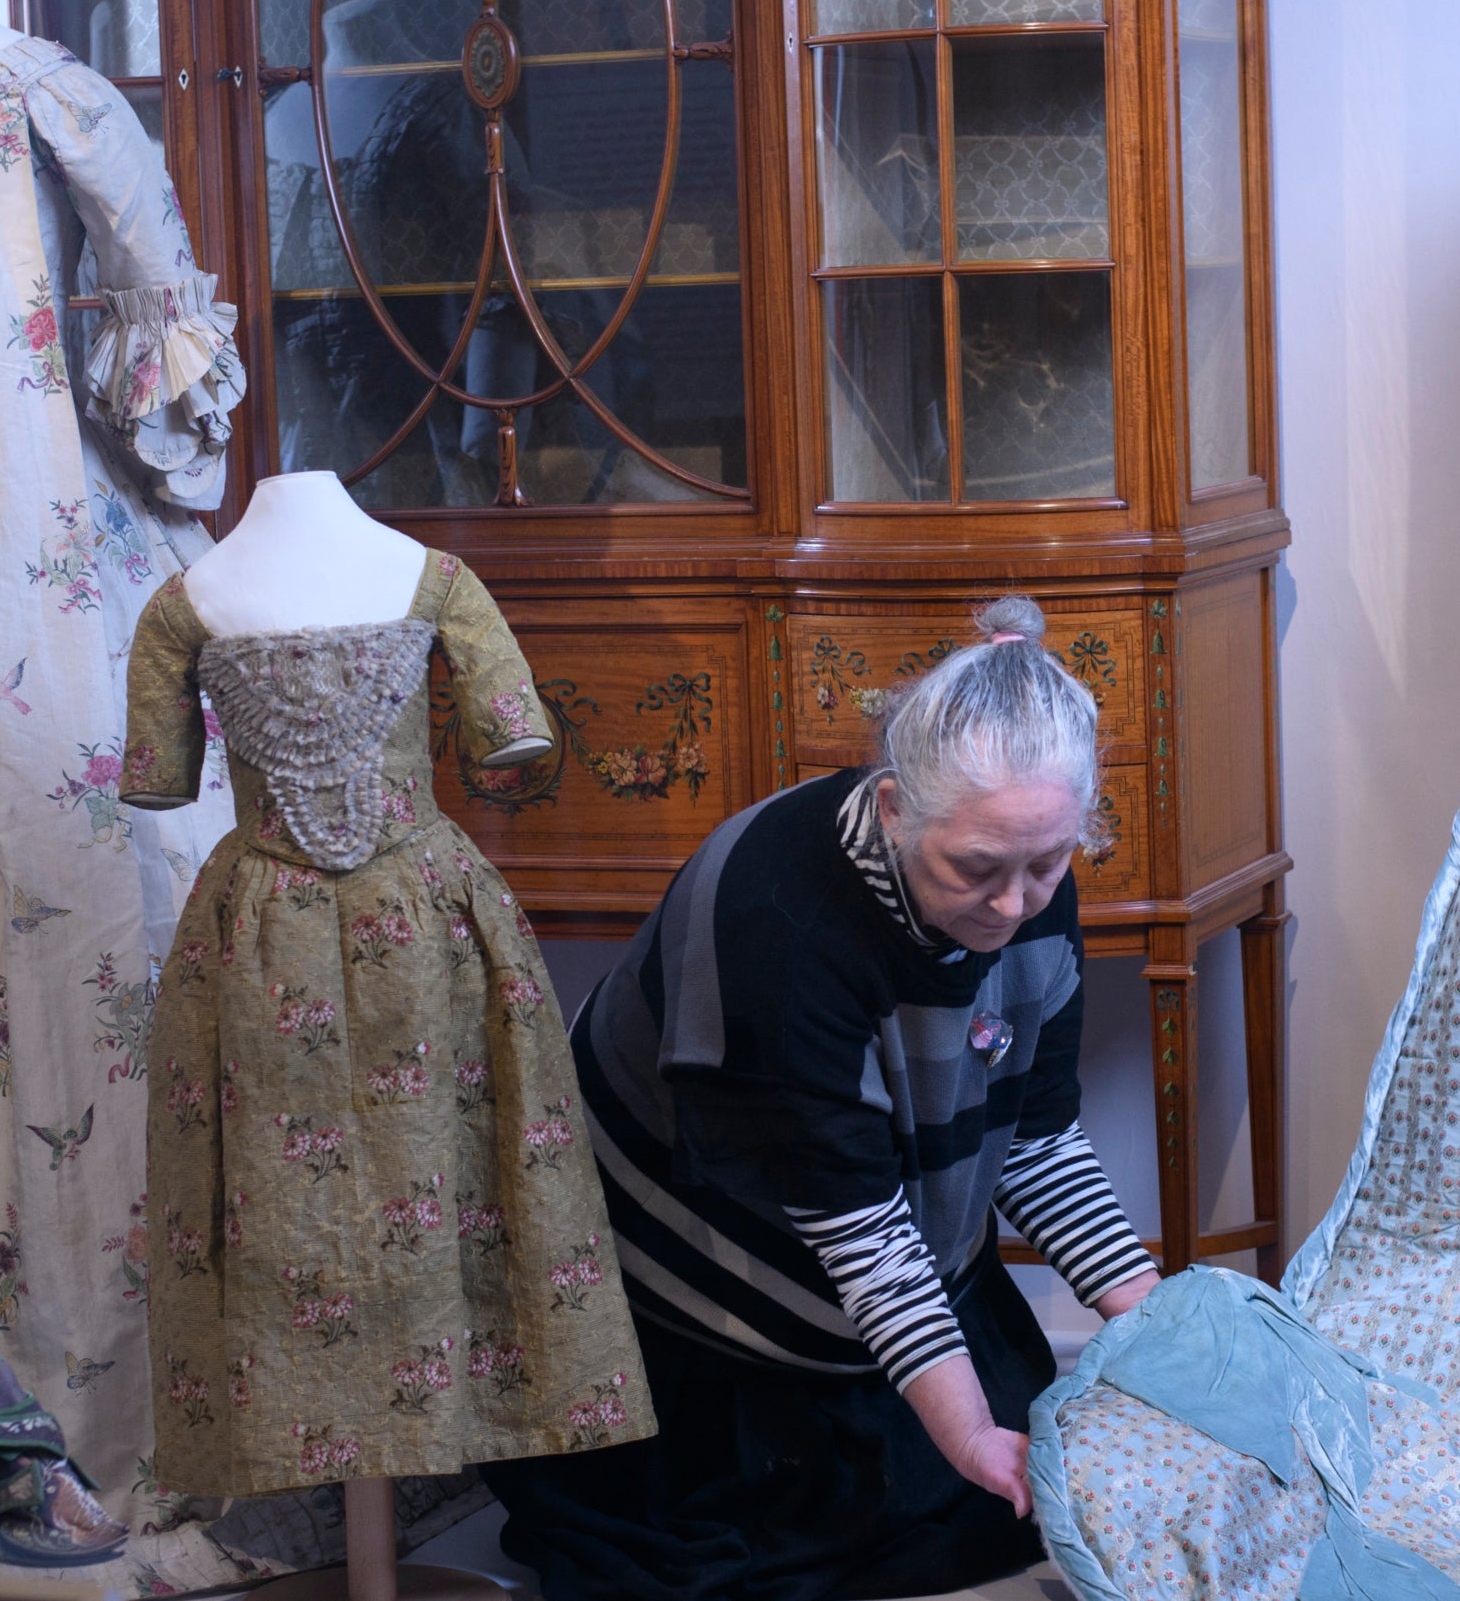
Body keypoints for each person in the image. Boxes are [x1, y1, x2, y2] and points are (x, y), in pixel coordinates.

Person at [482, 596, 1162, 1599]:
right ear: (892, 807)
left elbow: (1037, 1138)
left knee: (988, 1501)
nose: (1018, 904)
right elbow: (862, 1230)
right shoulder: (776, 923)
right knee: (728, 1554)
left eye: (1048, 864)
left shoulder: (1024, 870)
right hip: (706, 1261)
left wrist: (1157, 1323)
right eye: (979, 870)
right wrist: (968, 1429)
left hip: (871, 1224)